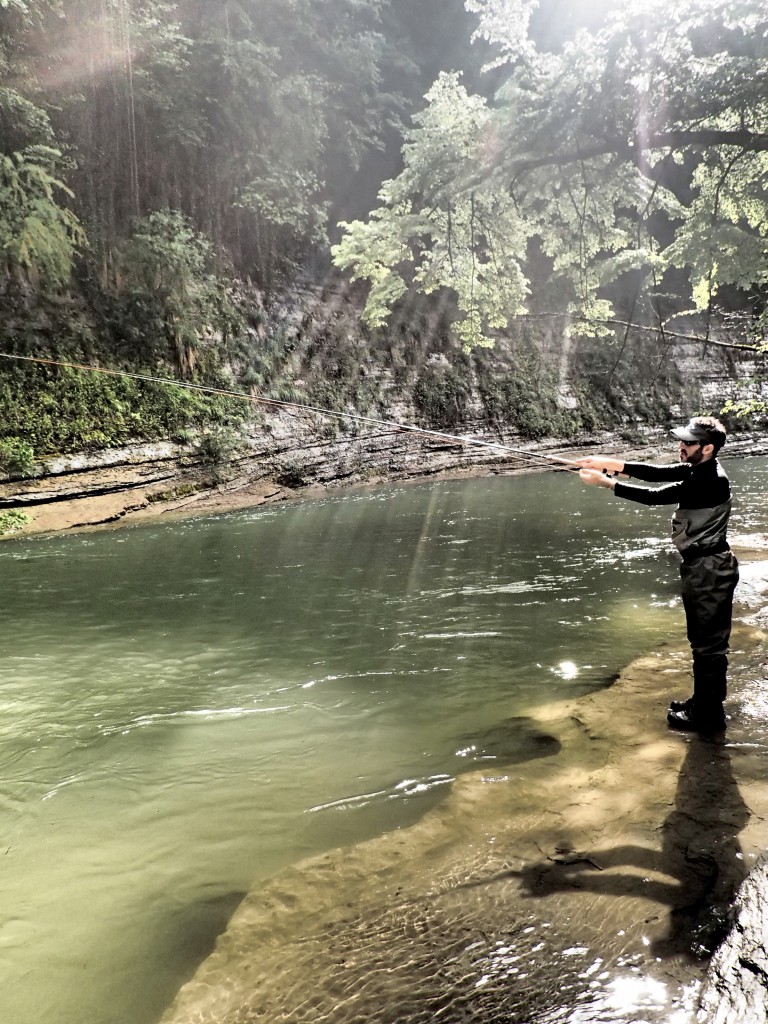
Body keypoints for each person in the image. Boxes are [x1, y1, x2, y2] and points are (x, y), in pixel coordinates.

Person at [577, 416, 739, 734]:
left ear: (706, 449)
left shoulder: (707, 480)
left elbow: (655, 495)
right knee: (703, 642)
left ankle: (709, 716)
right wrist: (607, 462)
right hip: (704, 567)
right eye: (682, 440)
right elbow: (656, 472)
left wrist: (606, 482)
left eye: (688, 443)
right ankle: (703, 702)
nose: (681, 446)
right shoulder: (699, 468)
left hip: (708, 570)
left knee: (708, 646)